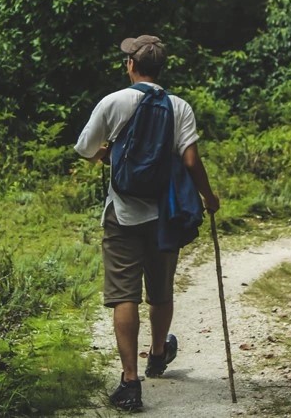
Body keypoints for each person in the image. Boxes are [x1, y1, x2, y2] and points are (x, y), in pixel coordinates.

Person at [74, 35, 220, 411]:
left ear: (131, 66)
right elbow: (190, 161)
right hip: (164, 215)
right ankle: (157, 355)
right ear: (161, 69)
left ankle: (130, 381)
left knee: (125, 294)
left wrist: (106, 157)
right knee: (161, 288)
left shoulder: (114, 102)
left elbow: (84, 149)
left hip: (122, 213)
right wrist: (208, 197)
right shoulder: (179, 106)